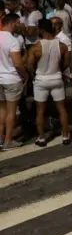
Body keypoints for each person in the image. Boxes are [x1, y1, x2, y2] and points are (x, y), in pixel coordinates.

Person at [26, 19, 72, 146]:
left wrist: (34, 73)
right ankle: (66, 135)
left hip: (41, 80)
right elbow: (67, 62)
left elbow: (29, 65)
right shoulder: (62, 46)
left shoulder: (36, 47)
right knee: (62, 109)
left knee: (40, 110)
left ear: (41, 30)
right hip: (56, 78)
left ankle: (41, 138)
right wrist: (60, 70)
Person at [0, 13, 28, 150]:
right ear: (12, 23)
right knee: (11, 112)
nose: (19, 26)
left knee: (1, 110)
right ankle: (8, 141)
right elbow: (17, 63)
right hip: (11, 79)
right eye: (18, 23)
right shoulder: (13, 40)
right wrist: (25, 75)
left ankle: (0, 138)